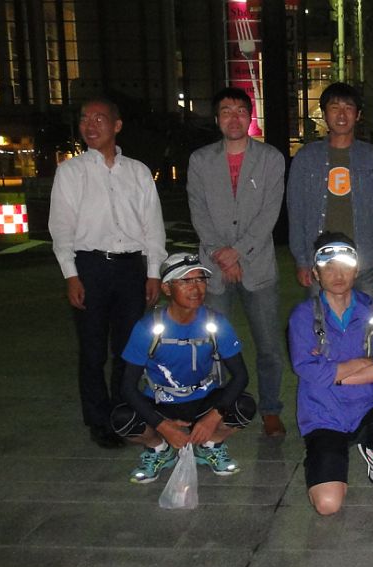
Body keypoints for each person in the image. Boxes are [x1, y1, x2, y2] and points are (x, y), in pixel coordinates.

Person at [48, 97, 167, 449]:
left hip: (131, 268)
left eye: (99, 119)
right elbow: (61, 228)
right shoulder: (71, 172)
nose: (90, 125)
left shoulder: (138, 171)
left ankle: (124, 414)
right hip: (91, 267)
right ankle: (99, 420)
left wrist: (153, 272)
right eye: (85, 119)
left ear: (117, 125)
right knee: (92, 350)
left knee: (129, 349)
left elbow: (153, 226)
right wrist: (71, 275)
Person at [288, 233, 373, 516]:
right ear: (315, 273)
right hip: (323, 415)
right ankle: (323, 458)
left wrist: (334, 374)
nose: (338, 275)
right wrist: (364, 361)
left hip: (366, 407)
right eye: (329, 267)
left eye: (345, 267)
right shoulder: (303, 315)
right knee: (328, 505)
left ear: (357, 270)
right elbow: (307, 369)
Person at [187, 87, 287, 437]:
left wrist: (239, 252)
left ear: (250, 117)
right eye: (226, 111)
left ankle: (270, 409)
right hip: (213, 268)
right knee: (212, 345)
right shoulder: (200, 160)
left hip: (258, 267)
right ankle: (213, 409)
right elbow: (198, 212)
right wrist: (222, 254)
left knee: (268, 346)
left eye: (241, 110)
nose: (234, 117)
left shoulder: (271, 158)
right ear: (217, 118)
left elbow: (270, 213)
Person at [110, 253, 256, 483]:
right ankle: (159, 448)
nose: (196, 288)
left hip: (203, 400)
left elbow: (241, 376)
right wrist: (162, 426)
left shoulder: (215, 323)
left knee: (244, 406)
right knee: (122, 418)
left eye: (200, 280)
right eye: (185, 281)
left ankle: (210, 445)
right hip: (161, 402)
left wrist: (212, 417)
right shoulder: (148, 327)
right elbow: (127, 387)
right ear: (167, 288)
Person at [287, 82, 373, 299]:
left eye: (348, 108)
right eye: (334, 108)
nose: (342, 114)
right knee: (322, 318)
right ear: (324, 114)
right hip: (321, 261)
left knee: (364, 318)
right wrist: (302, 260)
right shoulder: (306, 158)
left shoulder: (372, 157)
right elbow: (296, 211)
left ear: (358, 115)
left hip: (364, 260)